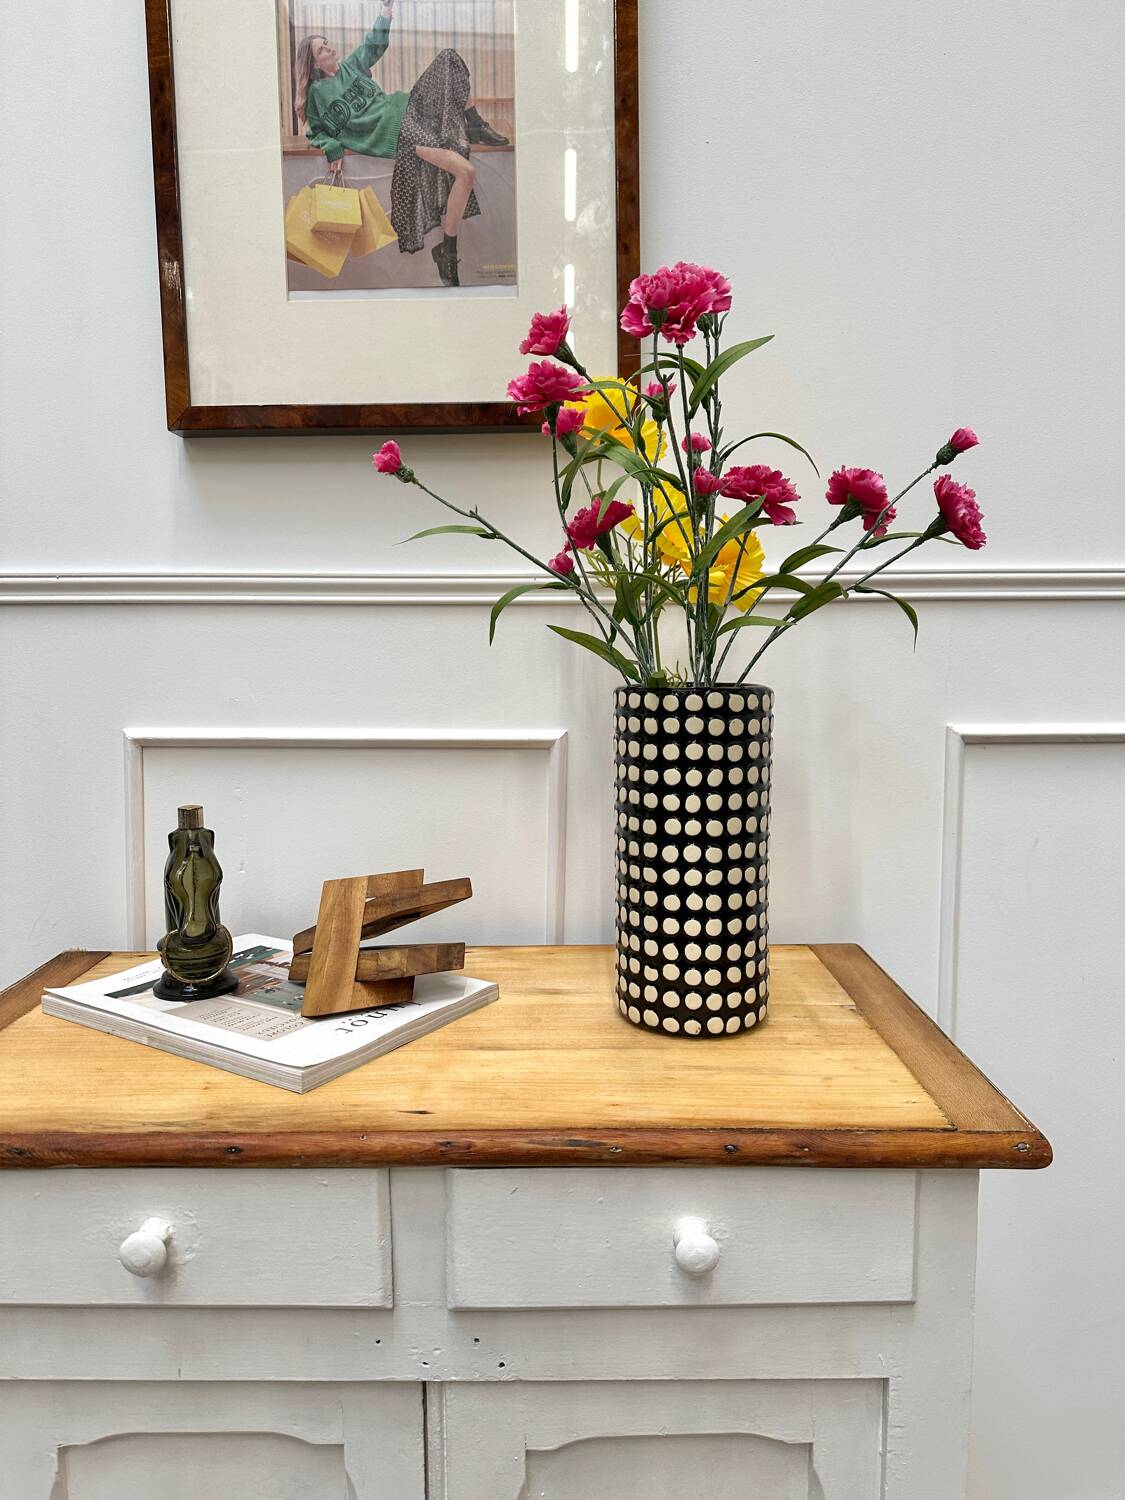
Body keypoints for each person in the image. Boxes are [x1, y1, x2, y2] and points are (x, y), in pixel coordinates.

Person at [294, 0, 508, 286]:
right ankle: (447, 250)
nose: (330, 49)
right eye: (322, 49)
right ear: (314, 63)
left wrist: (386, 9)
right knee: (466, 172)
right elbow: (315, 131)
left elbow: (374, 44)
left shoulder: (351, 67)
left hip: (410, 107)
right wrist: (329, 145)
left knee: (449, 59)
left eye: (327, 43)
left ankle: (476, 125)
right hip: (400, 134)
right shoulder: (319, 93)